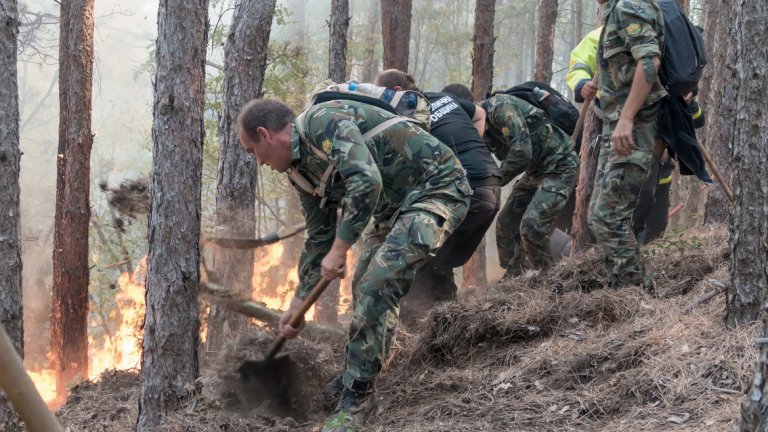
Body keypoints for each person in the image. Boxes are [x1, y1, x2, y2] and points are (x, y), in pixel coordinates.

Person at [237, 98, 470, 432]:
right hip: (393, 211)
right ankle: (356, 376)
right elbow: (318, 239)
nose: (257, 162)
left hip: (438, 187)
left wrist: (341, 248)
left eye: (252, 151)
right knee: (364, 284)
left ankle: (358, 399)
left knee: (379, 281)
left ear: (265, 134)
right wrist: (298, 302)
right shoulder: (300, 174)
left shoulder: (322, 122)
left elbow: (366, 181)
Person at [373, 69, 501, 317]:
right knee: (438, 261)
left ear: (397, 92)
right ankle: (444, 324)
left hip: (466, 191)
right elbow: (480, 114)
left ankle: (419, 327)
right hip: (491, 185)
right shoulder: (442, 98)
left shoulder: (408, 116)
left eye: (381, 96)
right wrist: (471, 148)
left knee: (417, 254)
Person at [589, 0, 666, 292]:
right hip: (617, 127)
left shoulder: (628, 7)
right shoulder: (613, 11)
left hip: (634, 128)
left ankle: (635, 298)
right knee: (598, 216)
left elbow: (649, 62)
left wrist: (626, 118)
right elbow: (621, 63)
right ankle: (618, 288)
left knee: (608, 218)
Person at [481, 90, 579, 277]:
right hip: (535, 171)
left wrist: (495, 180)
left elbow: (521, 153)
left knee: (532, 225)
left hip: (560, 165)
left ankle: (547, 278)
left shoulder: (499, 108)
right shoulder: (480, 129)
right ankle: (515, 275)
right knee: (506, 222)